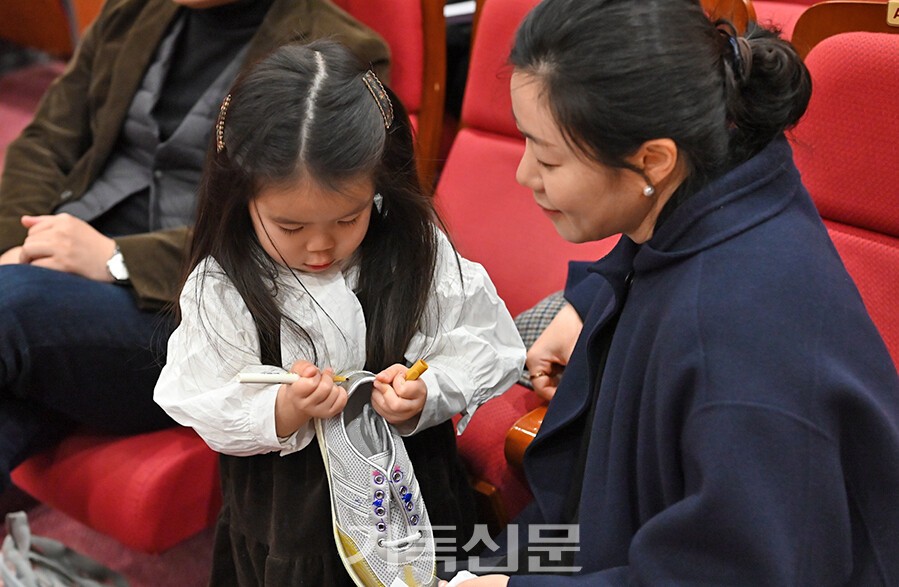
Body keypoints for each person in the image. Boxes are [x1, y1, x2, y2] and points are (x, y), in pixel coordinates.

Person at [441, 0, 899, 585]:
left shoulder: (740, 345)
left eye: (547, 155)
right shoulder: (713, 194)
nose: (523, 173)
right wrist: (591, 305)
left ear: (652, 159)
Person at [153, 40, 526, 585]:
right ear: (242, 197)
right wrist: (281, 407)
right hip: (289, 521)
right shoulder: (226, 284)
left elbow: (486, 342)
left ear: (380, 186)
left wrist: (427, 391)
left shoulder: (412, 249)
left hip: (413, 497)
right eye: (291, 227)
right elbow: (200, 396)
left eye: (348, 219)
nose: (320, 248)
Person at [0, 0, 389, 503]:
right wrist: (16, 244)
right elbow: (46, 140)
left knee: (13, 307)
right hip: (53, 267)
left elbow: (306, 233)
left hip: (194, 312)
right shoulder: (133, 12)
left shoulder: (339, 51)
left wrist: (118, 258)